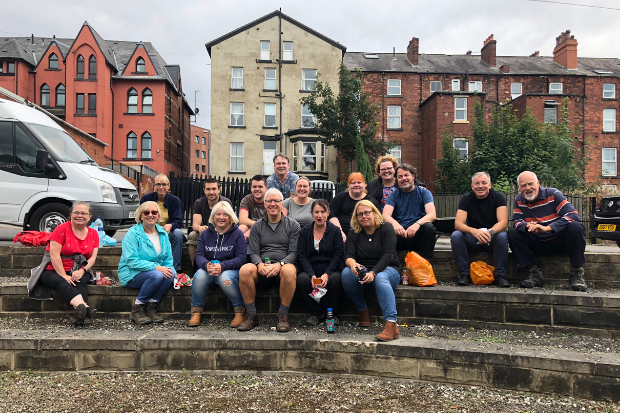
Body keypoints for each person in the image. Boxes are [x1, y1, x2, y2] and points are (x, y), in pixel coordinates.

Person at [508, 171, 587, 291]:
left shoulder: (553, 194)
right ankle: (533, 273)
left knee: (576, 227)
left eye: (530, 184)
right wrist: (528, 226)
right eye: (523, 185)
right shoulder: (519, 199)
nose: (527, 188)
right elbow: (516, 222)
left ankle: (577, 273)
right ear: (519, 188)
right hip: (538, 243)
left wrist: (547, 228)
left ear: (538, 183)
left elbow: (573, 214)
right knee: (512, 233)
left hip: (560, 241)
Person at [237, 188, 300, 332]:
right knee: (245, 269)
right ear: (264, 204)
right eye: (269, 201)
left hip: (283, 267)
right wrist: (258, 264)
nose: (273, 204)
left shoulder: (293, 225)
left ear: (282, 203)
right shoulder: (257, 226)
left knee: (289, 269)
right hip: (262, 267)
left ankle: (283, 315)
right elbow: (253, 251)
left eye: (276, 201)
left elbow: (294, 252)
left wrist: (280, 264)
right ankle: (251, 315)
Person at [27, 201, 98, 326]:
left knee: (80, 280)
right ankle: (85, 309)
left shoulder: (94, 234)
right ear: (71, 214)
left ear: (89, 217)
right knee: (62, 281)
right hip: (53, 268)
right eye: (76, 212)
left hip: (80, 268)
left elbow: (92, 258)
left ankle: (80, 314)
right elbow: (54, 255)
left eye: (83, 213)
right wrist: (64, 275)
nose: (79, 215)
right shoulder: (61, 229)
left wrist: (82, 271)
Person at [341, 200, 401, 341]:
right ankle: (362, 310)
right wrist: (353, 264)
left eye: (367, 212)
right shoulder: (354, 233)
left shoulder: (386, 228)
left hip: (388, 268)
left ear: (375, 213)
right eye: (360, 214)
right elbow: (348, 256)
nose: (364, 216)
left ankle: (391, 324)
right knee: (346, 274)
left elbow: (388, 254)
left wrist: (373, 272)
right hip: (364, 269)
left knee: (380, 278)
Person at [189, 201, 247, 328]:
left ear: (231, 217)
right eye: (218, 214)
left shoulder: (237, 234)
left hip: (231, 269)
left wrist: (222, 266)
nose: (221, 217)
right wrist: (206, 265)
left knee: (224, 277)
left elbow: (242, 258)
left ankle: (240, 311)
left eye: (225, 215)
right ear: (213, 217)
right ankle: (196, 311)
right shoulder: (205, 234)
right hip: (209, 268)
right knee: (199, 276)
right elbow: (199, 255)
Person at [118, 201, 176, 325]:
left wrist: (166, 268)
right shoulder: (132, 234)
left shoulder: (163, 234)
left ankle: (151, 306)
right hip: (132, 273)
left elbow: (168, 259)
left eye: (154, 212)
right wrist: (156, 267)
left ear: (158, 216)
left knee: (171, 273)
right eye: (146, 212)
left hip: (154, 272)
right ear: (140, 216)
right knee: (157, 275)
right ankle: (137, 308)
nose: (150, 215)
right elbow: (132, 261)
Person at [451, 172, 510, 287]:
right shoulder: (466, 199)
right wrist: (475, 231)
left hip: (492, 237)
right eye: (477, 183)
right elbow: (458, 224)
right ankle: (464, 275)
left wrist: (489, 232)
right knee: (456, 235)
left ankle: (500, 276)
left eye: (484, 183)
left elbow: (503, 222)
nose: (480, 186)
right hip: (473, 238)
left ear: (490, 185)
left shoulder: (498, 197)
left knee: (502, 236)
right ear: (472, 186)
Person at [296, 199, 344, 325]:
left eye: (323, 212)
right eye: (316, 212)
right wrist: (311, 275)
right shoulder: (304, 232)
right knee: (302, 279)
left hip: (330, 267)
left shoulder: (335, 231)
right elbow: (302, 255)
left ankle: (332, 313)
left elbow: (338, 254)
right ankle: (315, 312)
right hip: (311, 268)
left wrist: (327, 273)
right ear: (311, 213)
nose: (319, 215)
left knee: (335, 280)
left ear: (328, 213)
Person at [382, 164, 437, 258]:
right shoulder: (393, 195)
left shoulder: (424, 193)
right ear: (396, 180)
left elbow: (432, 215)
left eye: (406, 175)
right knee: (386, 228)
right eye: (400, 176)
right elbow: (385, 215)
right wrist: (395, 225)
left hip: (418, 236)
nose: (404, 178)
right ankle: (392, 265)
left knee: (429, 228)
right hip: (400, 235)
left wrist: (417, 224)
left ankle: (426, 263)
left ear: (413, 176)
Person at [140, 174, 184, 274]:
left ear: (168, 186)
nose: (161, 187)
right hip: (150, 230)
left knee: (178, 233)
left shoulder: (175, 201)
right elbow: (140, 218)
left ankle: (175, 268)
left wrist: (170, 225)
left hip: (167, 231)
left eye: (164, 184)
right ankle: (151, 267)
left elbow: (178, 220)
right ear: (154, 186)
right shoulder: (146, 199)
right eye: (158, 184)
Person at [187, 178, 232, 265]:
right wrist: (200, 227)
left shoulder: (226, 202)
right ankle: (195, 267)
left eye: (214, 189)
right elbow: (195, 225)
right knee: (192, 235)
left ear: (219, 189)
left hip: (223, 233)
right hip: (206, 232)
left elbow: (230, 223)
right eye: (208, 189)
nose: (211, 192)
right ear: (204, 190)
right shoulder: (199, 203)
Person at [329, 172, 380, 242]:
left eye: (359, 182)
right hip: (342, 236)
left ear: (364, 185)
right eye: (353, 183)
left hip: (364, 237)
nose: (356, 185)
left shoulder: (371, 201)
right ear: (349, 185)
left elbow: (378, 219)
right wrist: (339, 232)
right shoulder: (340, 197)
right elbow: (331, 214)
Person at [238, 175, 268, 241]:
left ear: (266, 188)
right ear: (251, 188)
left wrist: (251, 230)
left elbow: (271, 222)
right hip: (252, 226)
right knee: (241, 228)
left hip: (267, 228)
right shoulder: (247, 200)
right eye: (254, 187)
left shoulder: (270, 200)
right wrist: (256, 226)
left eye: (260, 186)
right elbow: (242, 220)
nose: (257, 189)